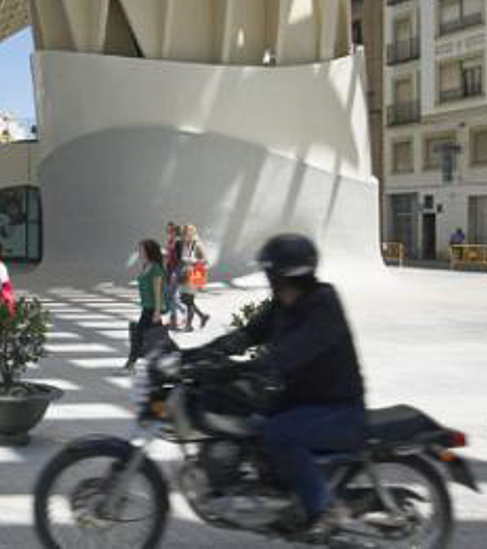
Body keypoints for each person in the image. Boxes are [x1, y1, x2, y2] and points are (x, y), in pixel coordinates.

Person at [191, 233, 366, 540]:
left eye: (271, 273)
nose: (268, 279)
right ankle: (274, 493)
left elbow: (289, 354)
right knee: (251, 423)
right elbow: (247, 334)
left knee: (278, 433)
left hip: (338, 409)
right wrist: (201, 354)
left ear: (285, 275)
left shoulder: (323, 304)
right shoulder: (283, 305)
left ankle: (323, 511)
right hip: (302, 401)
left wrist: (236, 368)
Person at [124, 238, 167, 369]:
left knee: (138, 336)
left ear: (149, 251)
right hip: (147, 306)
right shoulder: (145, 266)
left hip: (152, 308)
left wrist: (157, 311)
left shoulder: (155, 268)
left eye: (141, 250)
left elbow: (158, 292)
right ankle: (167, 361)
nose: (139, 252)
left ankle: (130, 365)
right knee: (159, 339)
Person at [178, 225, 211, 331]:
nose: (185, 235)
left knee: (189, 299)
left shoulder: (197, 245)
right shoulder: (184, 244)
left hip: (195, 274)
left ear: (192, 233)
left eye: (187, 233)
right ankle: (202, 316)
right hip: (185, 274)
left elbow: (205, 261)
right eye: (184, 233)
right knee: (184, 298)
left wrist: (191, 261)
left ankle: (189, 326)